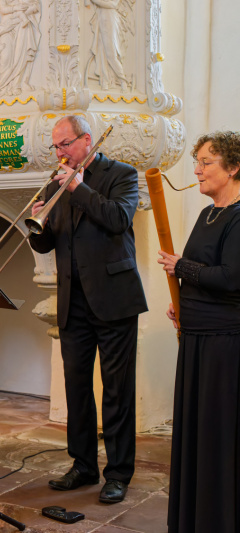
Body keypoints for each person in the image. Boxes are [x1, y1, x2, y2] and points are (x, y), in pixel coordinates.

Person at [28, 115, 147, 503]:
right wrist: (38, 224)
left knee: (116, 391)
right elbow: (47, 245)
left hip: (114, 300)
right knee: (77, 389)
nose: (60, 152)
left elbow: (117, 218)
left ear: (87, 140)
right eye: (56, 147)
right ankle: (82, 465)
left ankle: (118, 473)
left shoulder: (122, 175)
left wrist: (77, 188)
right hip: (73, 302)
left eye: (65, 144)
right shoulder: (56, 182)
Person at [158, 131, 240, 532]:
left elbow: (231, 278)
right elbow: (201, 273)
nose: (197, 170)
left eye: (207, 162)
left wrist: (181, 269)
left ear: (234, 167)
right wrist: (182, 301)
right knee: (195, 436)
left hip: (224, 344)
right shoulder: (208, 214)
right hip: (195, 338)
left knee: (217, 438)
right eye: (198, 162)